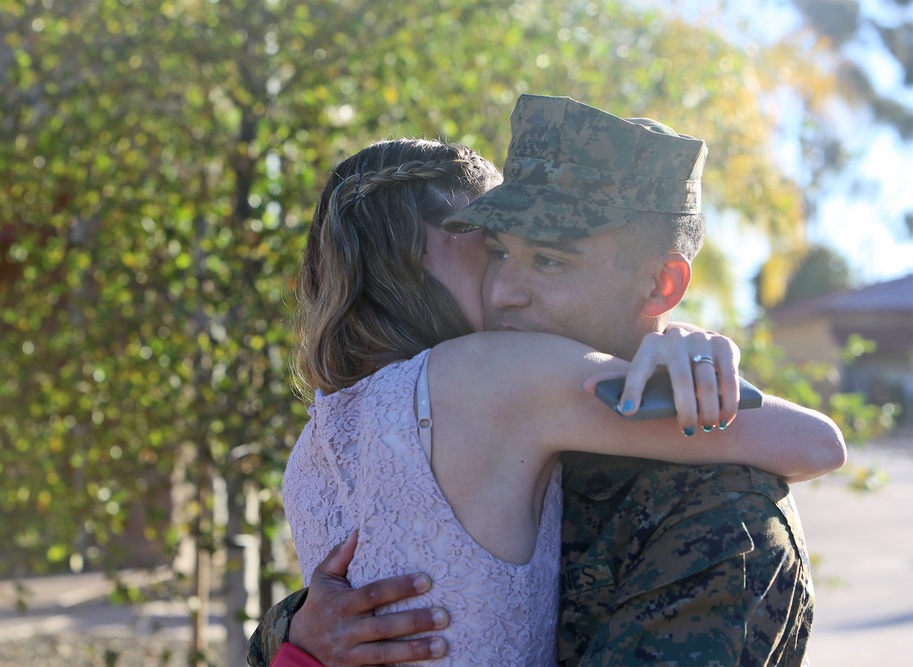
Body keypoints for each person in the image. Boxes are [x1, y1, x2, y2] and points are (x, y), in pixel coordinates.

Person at [249, 96, 846, 666]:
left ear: (661, 285)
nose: (505, 290)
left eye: (551, 260)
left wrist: (295, 639)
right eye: (497, 252)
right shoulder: (481, 401)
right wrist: (298, 633)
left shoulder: (722, 510)